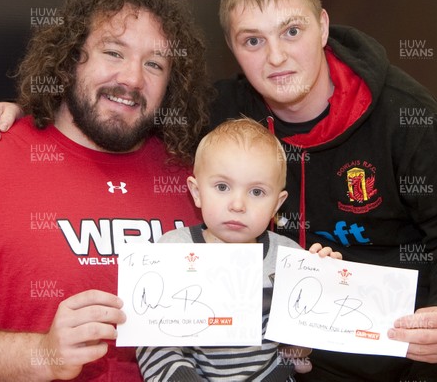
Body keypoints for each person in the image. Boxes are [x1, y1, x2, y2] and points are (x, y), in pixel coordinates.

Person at [0, 0, 437, 381]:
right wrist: (24, 112)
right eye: (252, 41)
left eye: (291, 31)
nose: (276, 58)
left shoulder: (406, 115)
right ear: (234, 50)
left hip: (406, 355)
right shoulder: (219, 111)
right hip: (296, 363)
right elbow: (123, 107)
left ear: (322, 26)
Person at [0, 0, 212, 381]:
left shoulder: (198, 182)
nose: (133, 79)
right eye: (113, 52)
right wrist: (42, 355)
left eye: (155, 64)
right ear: (70, 60)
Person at [136, 117, 342, 382]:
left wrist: (324, 287)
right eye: (222, 187)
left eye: (256, 192)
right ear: (196, 192)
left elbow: (299, 351)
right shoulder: (172, 250)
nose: (237, 204)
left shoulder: (290, 258)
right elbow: (152, 341)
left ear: (276, 205)